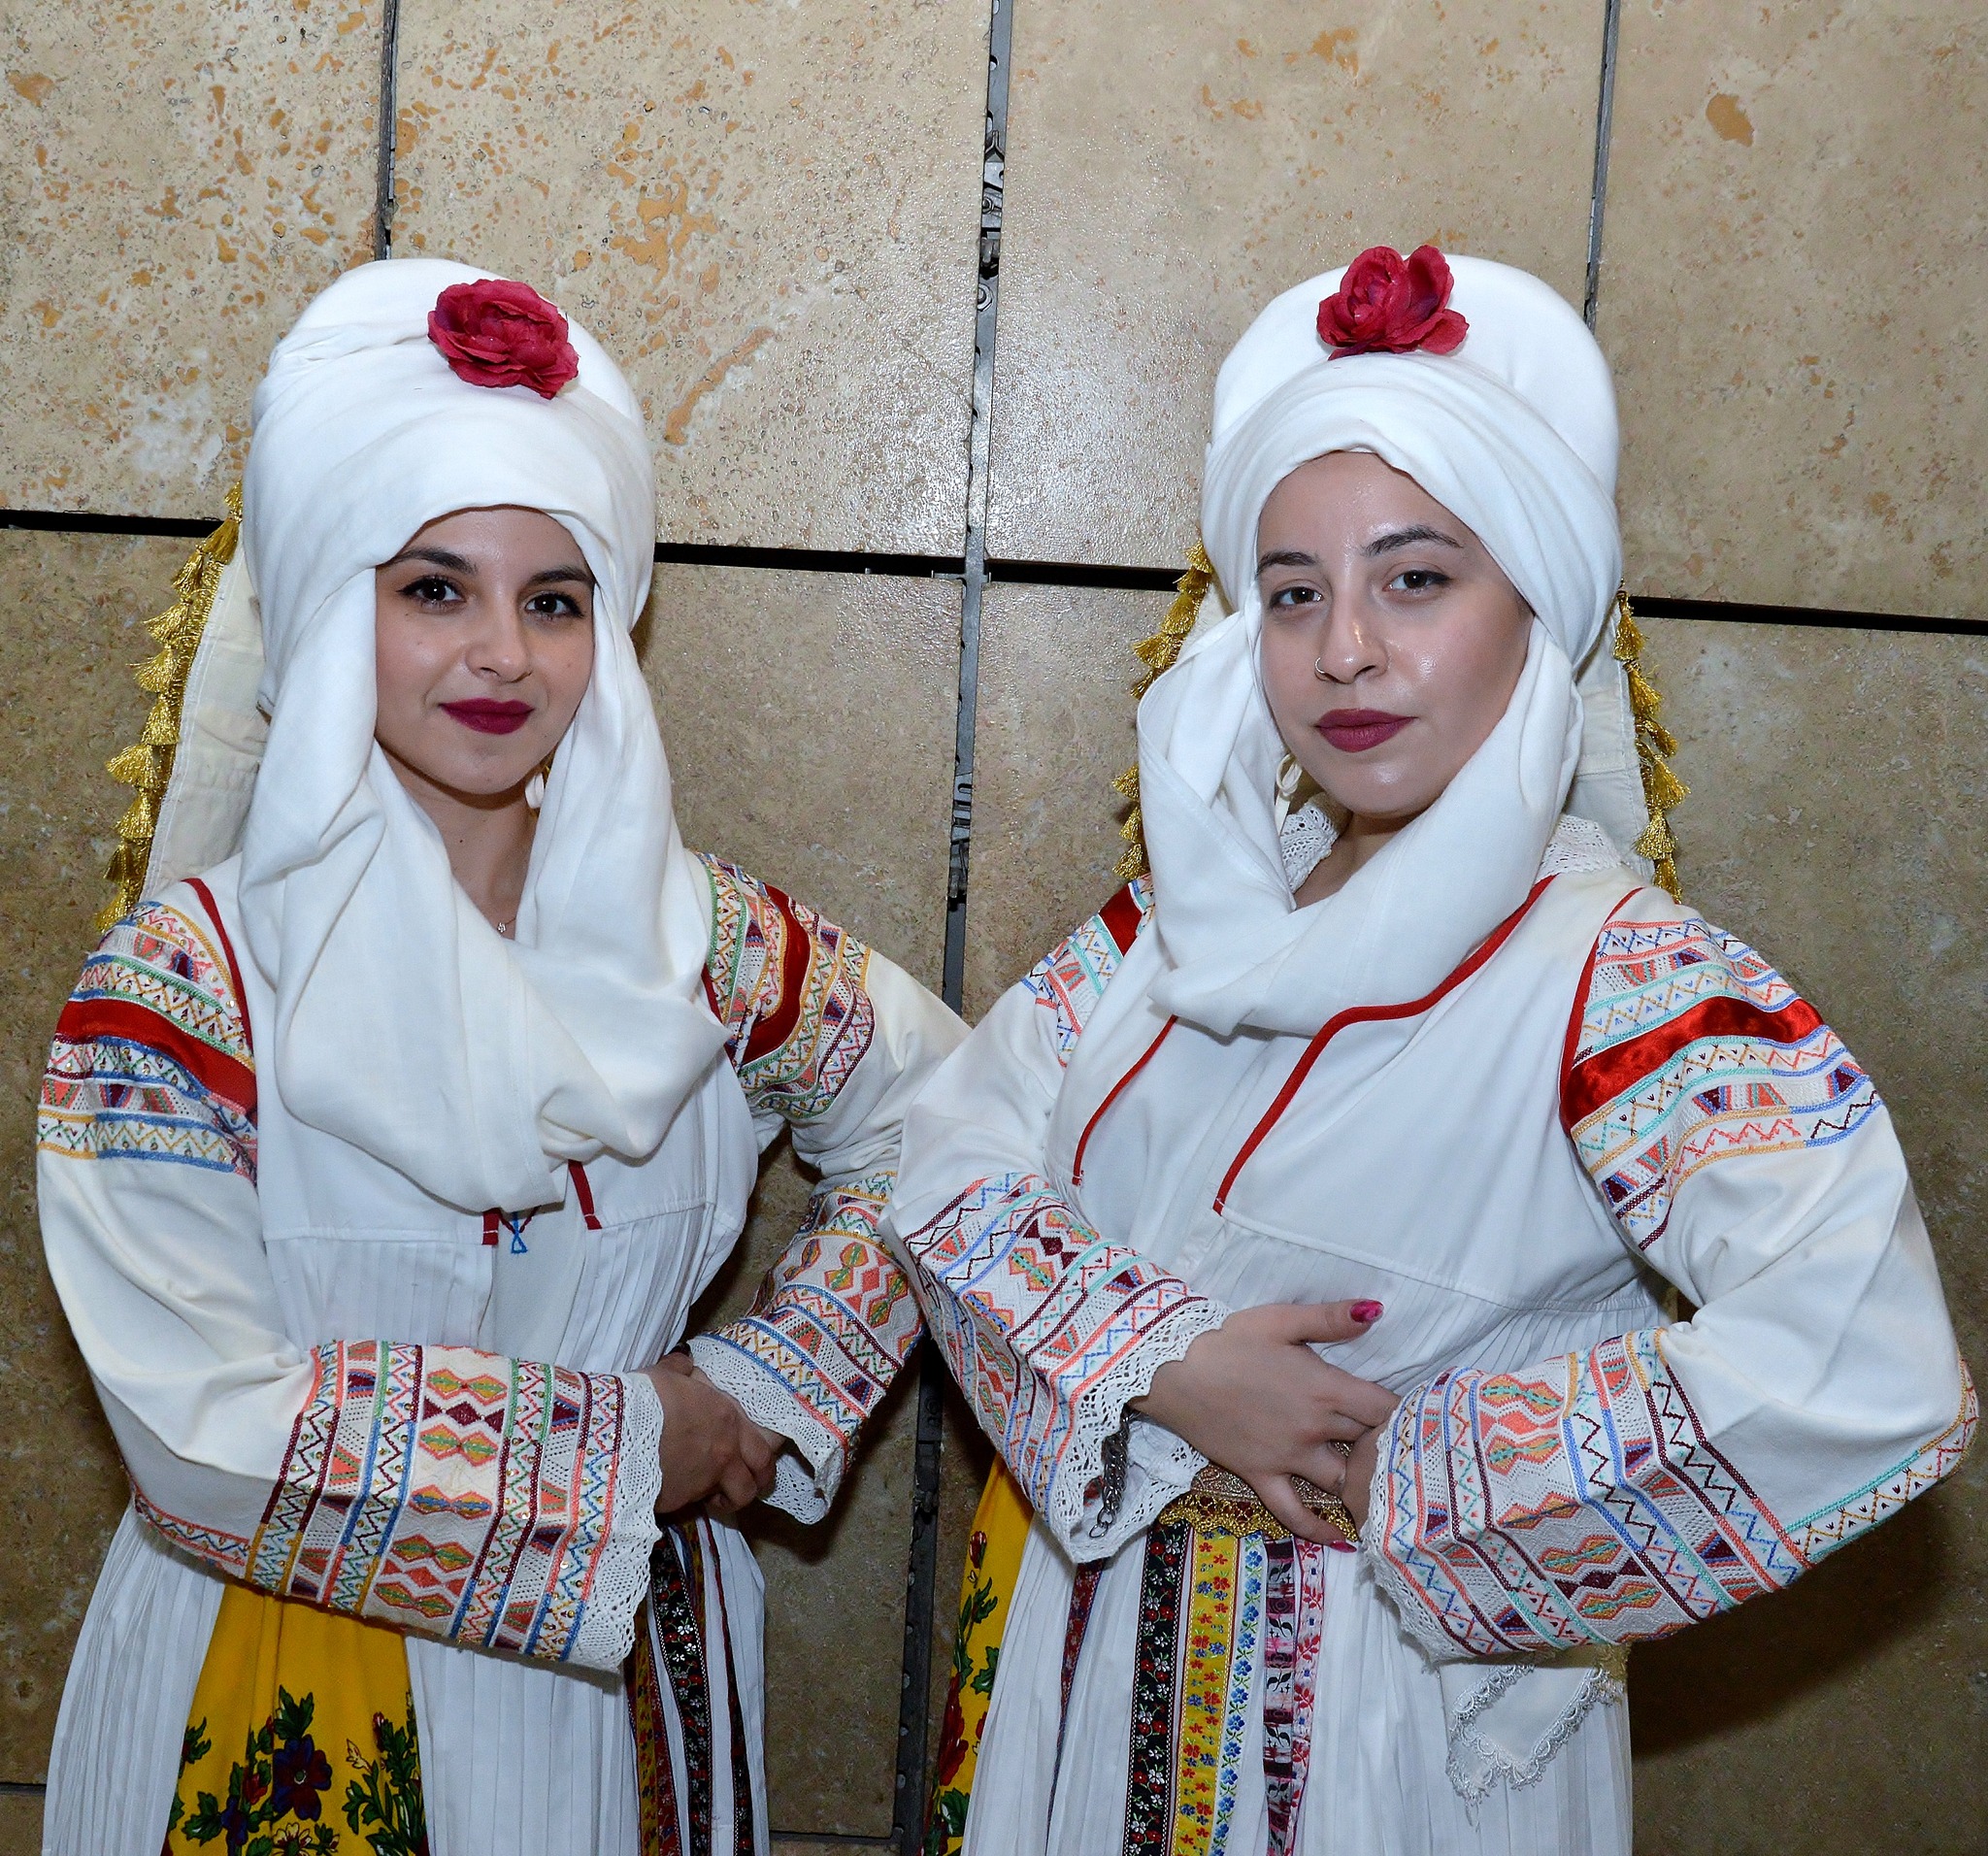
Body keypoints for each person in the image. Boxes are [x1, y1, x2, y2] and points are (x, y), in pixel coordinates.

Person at [889, 246, 1973, 1855]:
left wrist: (1407, 1465)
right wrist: (1164, 1364)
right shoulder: (1167, 933)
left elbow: (1866, 1358)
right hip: (1085, 1653)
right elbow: (947, 1162)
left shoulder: (1627, 980)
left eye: (1416, 580)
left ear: (1538, 612)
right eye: (1294, 592)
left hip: (1386, 1720)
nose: (1345, 650)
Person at [36, 258, 962, 1856]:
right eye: (433, 590)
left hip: (638, 1700)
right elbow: (197, 1434)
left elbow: (954, 1117)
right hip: (285, 1687)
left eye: (555, 601)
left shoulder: (708, 950)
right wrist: (634, 1446)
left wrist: (773, 1377)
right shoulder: (183, 989)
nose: (503, 656)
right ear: (329, 610)